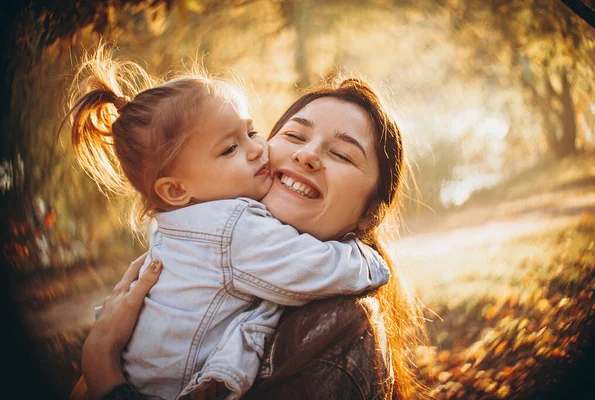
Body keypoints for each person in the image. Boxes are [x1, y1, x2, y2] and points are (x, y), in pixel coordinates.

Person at [63, 47, 391, 400]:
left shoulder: (337, 337)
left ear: (371, 211)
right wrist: (371, 262)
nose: (306, 155)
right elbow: (324, 266)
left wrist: (104, 372)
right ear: (176, 189)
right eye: (295, 136)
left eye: (251, 133)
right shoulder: (232, 230)